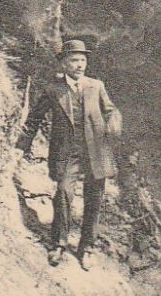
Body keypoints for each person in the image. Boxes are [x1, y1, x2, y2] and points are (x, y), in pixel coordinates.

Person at [18, 38, 123, 269]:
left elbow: (112, 110)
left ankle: (87, 247)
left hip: (96, 151)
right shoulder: (53, 90)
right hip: (68, 153)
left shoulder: (96, 86)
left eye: (82, 60)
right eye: (74, 60)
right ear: (64, 64)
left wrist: (113, 124)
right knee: (63, 194)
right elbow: (34, 120)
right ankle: (58, 244)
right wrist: (20, 148)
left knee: (94, 200)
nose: (79, 65)